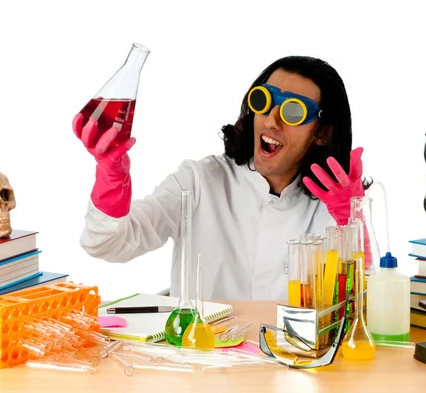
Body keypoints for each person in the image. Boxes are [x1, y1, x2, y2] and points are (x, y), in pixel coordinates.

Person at [73, 55, 366, 301]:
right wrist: (111, 178)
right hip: (202, 361)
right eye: (263, 101)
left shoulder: (334, 204)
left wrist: (352, 220)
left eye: (293, 111)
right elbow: (106, 243)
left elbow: (365, 302)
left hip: (295, 364)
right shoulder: (200, 181)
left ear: (322, 132)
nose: (271, 120)